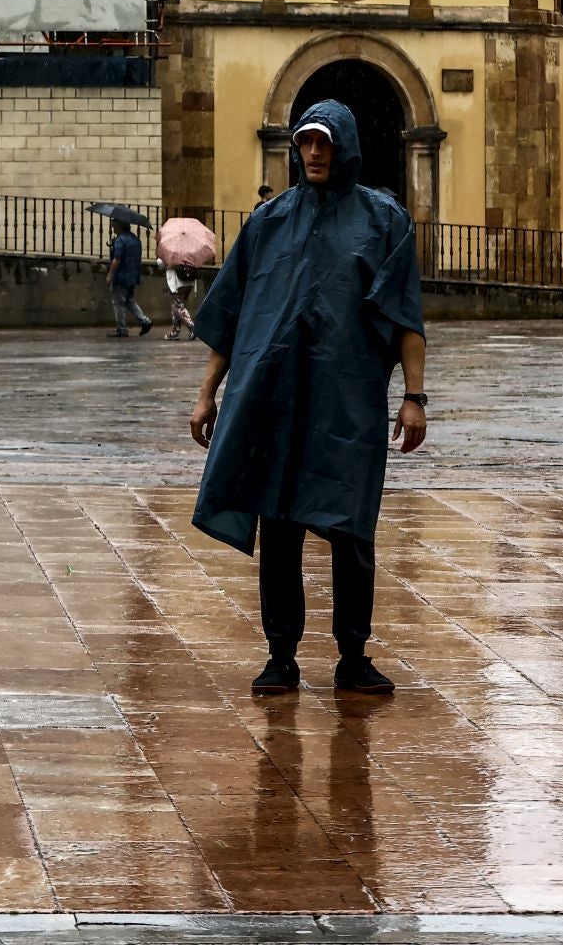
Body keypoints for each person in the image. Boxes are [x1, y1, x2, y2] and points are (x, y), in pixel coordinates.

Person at [189, 99, 426, 698]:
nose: (314, 152)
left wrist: (415, 396)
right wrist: (206, 395)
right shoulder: (268, 223)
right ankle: (280, 655)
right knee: (281, 528)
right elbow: (233, 315)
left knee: (352, 529)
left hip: (348, 406)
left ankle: (353, 654)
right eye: (305, 142)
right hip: (276, 399)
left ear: (344, 145)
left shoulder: (383, 220)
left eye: (323, 142)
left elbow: (405, 317)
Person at [106, 215, 152, 338]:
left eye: (114, 225)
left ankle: (122, 329)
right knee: (129, 301)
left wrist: (110, 274)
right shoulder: (135, 239)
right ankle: (145, 320)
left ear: (119, 226)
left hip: (121, 276)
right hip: (133, 275)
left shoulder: (120, 240)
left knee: (118, 303)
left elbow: (117, 259)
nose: (113, 228)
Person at [163, 264, 199, 340]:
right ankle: (175, 331)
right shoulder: (190, 252)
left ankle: (192, 326)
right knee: (177, 305)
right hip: (189, 277)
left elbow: (160, 263)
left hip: (177, 280)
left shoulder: (171, 252)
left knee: (177, 306)